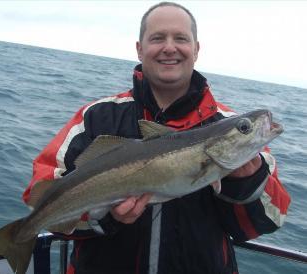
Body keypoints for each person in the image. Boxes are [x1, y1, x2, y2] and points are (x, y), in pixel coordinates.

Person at [23, 2, 291, 273]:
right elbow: (43, 189)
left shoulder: (227, 126)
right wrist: (104, 216)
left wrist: (246, 182)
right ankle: (16, 240)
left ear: (196, 49)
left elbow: (268, 221)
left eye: (181, 38)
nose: (169, 47)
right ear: (139, 49)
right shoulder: (95, 116)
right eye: (157, 38)